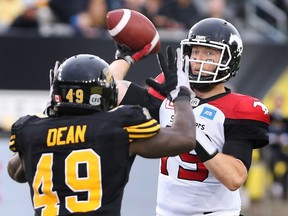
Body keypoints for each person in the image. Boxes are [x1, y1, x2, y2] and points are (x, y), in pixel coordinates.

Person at [109, 17, 271, 215]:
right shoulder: (168, 92)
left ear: (229, 59)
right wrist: (125, 57)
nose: (199, 60)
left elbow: (234, 178)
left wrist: (190, 129)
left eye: (210, 53)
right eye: (196, 51)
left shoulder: (239, 108)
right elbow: (107, 90)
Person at [7, 53, 197, 215]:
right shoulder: (116, 127)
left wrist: (52, 119)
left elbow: (15, 172)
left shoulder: (32, 131)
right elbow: (185, 138)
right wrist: (180, 94)